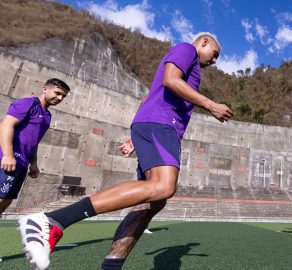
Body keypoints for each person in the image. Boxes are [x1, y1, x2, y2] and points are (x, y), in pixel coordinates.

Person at [18, 32, 232, 270]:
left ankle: (111, 266)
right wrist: (210, 104)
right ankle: (52, 220)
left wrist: (134, 137)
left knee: (151, 203)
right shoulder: (187, 50)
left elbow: (148, 97)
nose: (214, 62)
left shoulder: (191, 66)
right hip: (161, 124)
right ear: (204, 42)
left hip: (153, 125)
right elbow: (171, 80)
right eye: (215, 55)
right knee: (164, 186)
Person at [0, 78, 70, 216]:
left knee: (6, 201)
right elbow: (5, 125)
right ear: (45, 89)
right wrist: (8, 155)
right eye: (57, 93)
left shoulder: (47, 115)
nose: (60, 98)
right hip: (8, 159)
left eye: (63, 96)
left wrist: (34, 162)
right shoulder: (29, 103)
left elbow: (34, 140)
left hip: (22, 163)